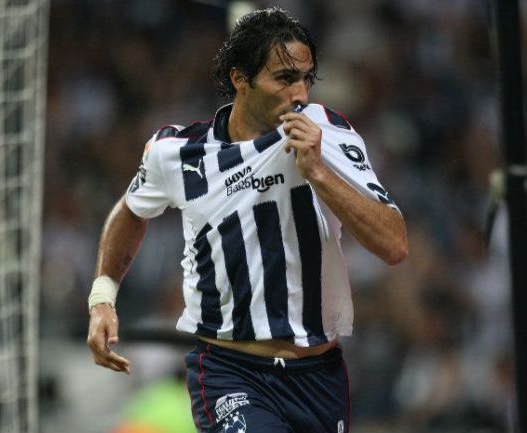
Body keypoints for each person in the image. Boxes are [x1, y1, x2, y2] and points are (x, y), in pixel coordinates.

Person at [86, 7, 408, 433]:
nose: (300, 95)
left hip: (318, 376)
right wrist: (102, 297)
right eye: (285, 78)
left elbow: (394, 244)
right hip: (230, 371)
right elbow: (130, 211)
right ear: (241, 78)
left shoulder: (326, 133)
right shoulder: (178, 154)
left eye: (305, 79)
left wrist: (318, 172)